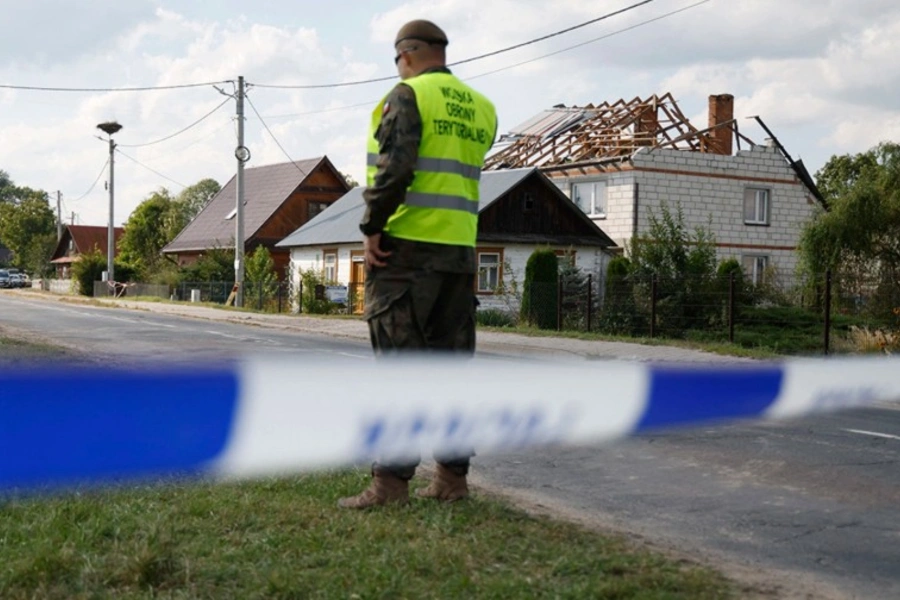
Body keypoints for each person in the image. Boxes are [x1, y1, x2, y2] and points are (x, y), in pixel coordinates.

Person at [337, 19, 498, 509]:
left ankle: (389, 486)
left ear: (405, 54)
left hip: (404, 252)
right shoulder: (482, 107)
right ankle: (452, 480)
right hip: (458, 254)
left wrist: (371, 228)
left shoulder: (405, 96)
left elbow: (397, 166)